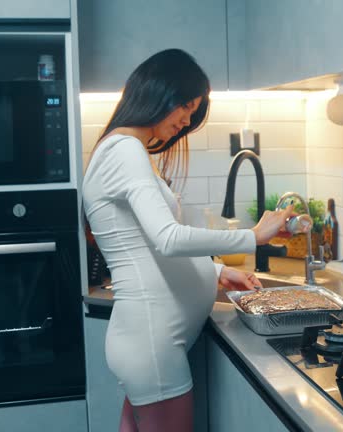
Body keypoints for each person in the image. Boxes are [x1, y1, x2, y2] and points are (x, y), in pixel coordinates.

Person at [82, 49, 293, 432]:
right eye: (185, 106)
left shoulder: (124, 150)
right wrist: (253, 236)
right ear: (156, 93)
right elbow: (167, 238)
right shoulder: (125, 150)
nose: (186, 120)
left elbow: (145, 247)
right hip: (152, 344)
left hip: (147, 342)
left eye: (192, 111)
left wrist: (215, 271)